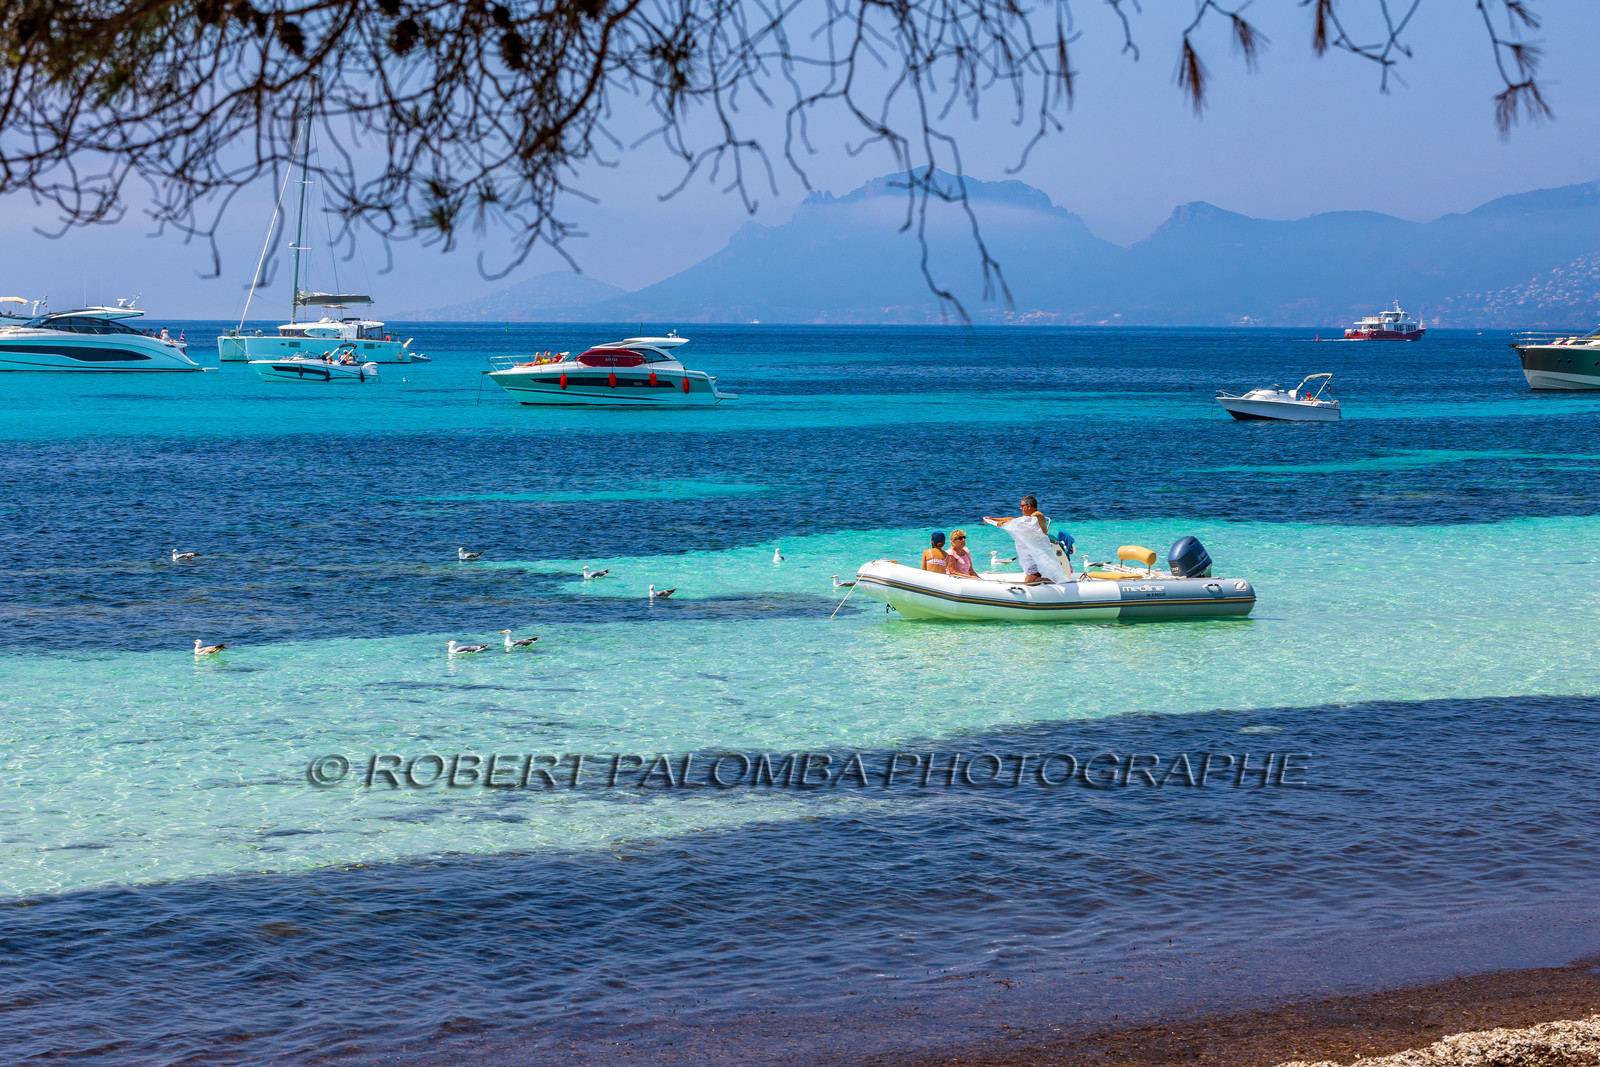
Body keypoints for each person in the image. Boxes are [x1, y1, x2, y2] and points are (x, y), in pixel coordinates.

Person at [983, 495, 1050, 584]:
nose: (1020, 508)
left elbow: (1016, 522)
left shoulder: (1036, 516)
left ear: (1029, 506)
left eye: (1022, 506)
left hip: (1038, 555)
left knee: (1028, 583)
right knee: (1030, 580)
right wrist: (992, 519)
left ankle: (1051, 582)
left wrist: (1003, 522)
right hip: (1032, 554)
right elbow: (1013, 520)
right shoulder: (1030, 517)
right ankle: (1043, 580)